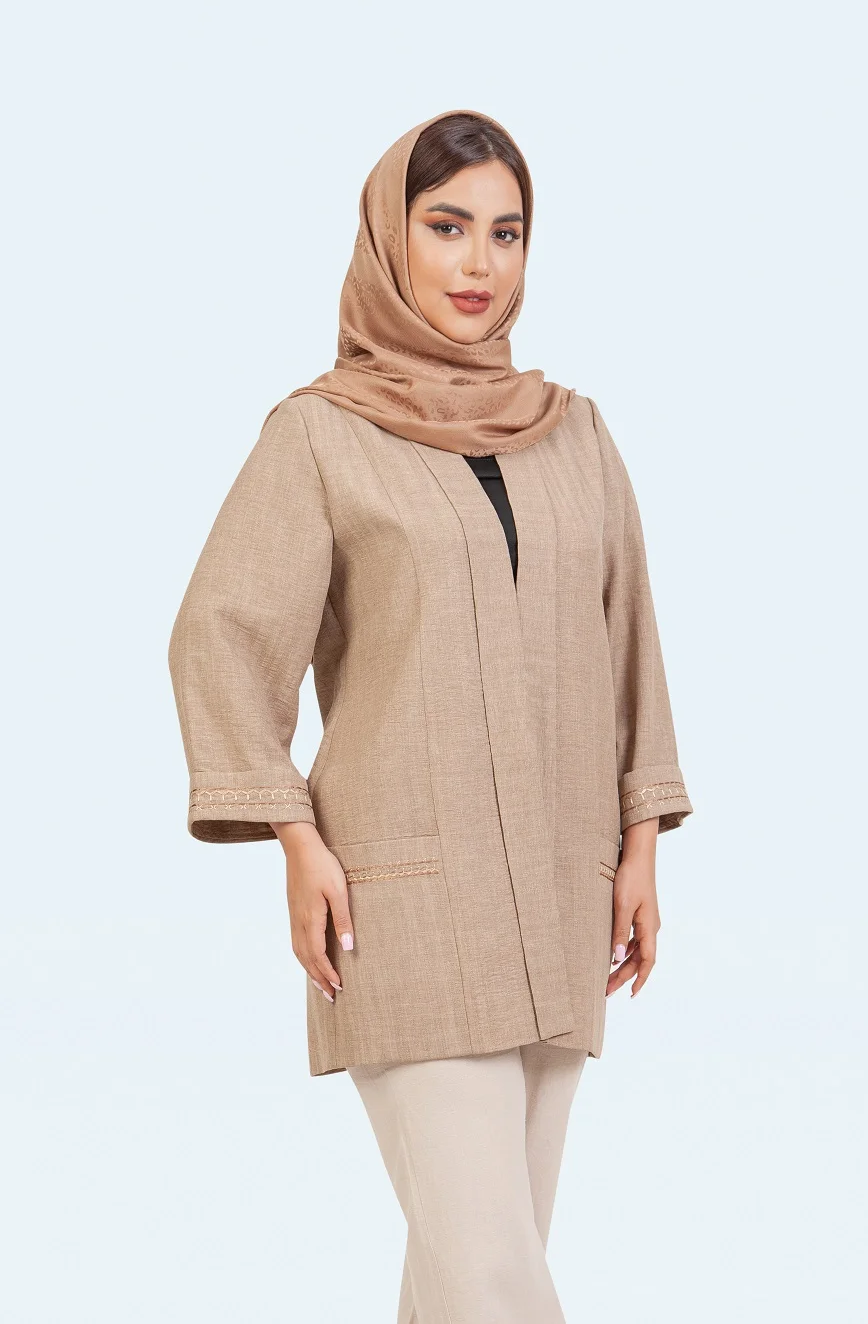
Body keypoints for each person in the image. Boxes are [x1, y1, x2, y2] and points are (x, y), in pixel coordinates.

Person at [168, 107, 694, 1323]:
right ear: (388, 237)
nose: (478, 263)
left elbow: (631, 640)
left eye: (506, 233)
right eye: (447, 226)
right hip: (403, 909)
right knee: (497, 1283)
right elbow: (221, 633)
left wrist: (640, 842)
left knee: (466, 1282)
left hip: (563, 901)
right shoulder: (319, 435)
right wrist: (292, 834)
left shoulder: (576, 433)